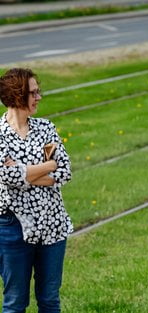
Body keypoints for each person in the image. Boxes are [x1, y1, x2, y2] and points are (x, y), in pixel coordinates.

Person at [0, 68, 73, 312]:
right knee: (15, 302)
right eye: (33, 93)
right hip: (13, 227)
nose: (38, 97)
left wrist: (24, 171)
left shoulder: (45, 128)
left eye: (38, 91)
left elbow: (64, 171)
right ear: (16, 95)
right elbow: (6, 175)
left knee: (50, 299)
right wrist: (48, 166)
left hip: (52, 223)